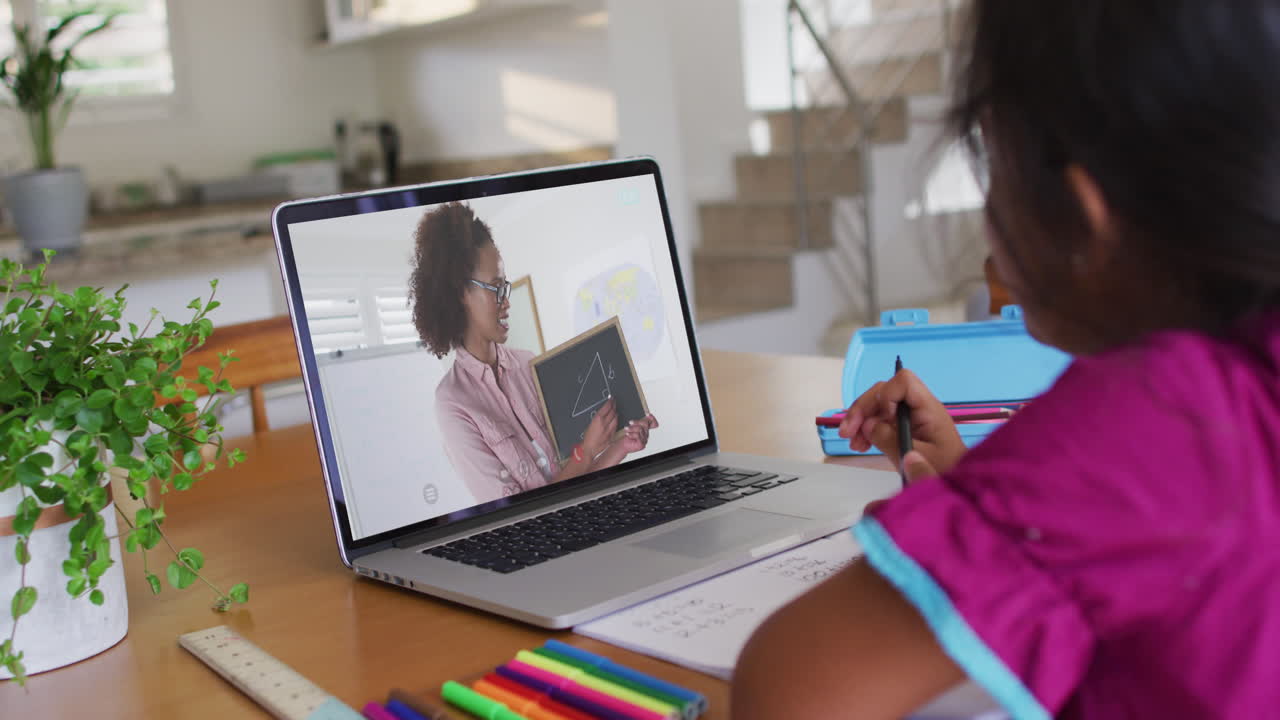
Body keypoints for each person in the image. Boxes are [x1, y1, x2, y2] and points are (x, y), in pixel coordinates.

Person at [734, 1, 1280, 717]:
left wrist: (975, 524)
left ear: (1082, 217)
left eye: (992, 163)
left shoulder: (1151, 419)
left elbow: (787, 692)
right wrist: (978, 504)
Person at [408, 202, 659, 503]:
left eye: (505, 287)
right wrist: (586, 450)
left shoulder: (529, 364)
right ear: (461, 292)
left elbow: (576, 477)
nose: (506, 301)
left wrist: (621, 447)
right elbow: (516, 513)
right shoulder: (453, 404)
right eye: (495, 288)